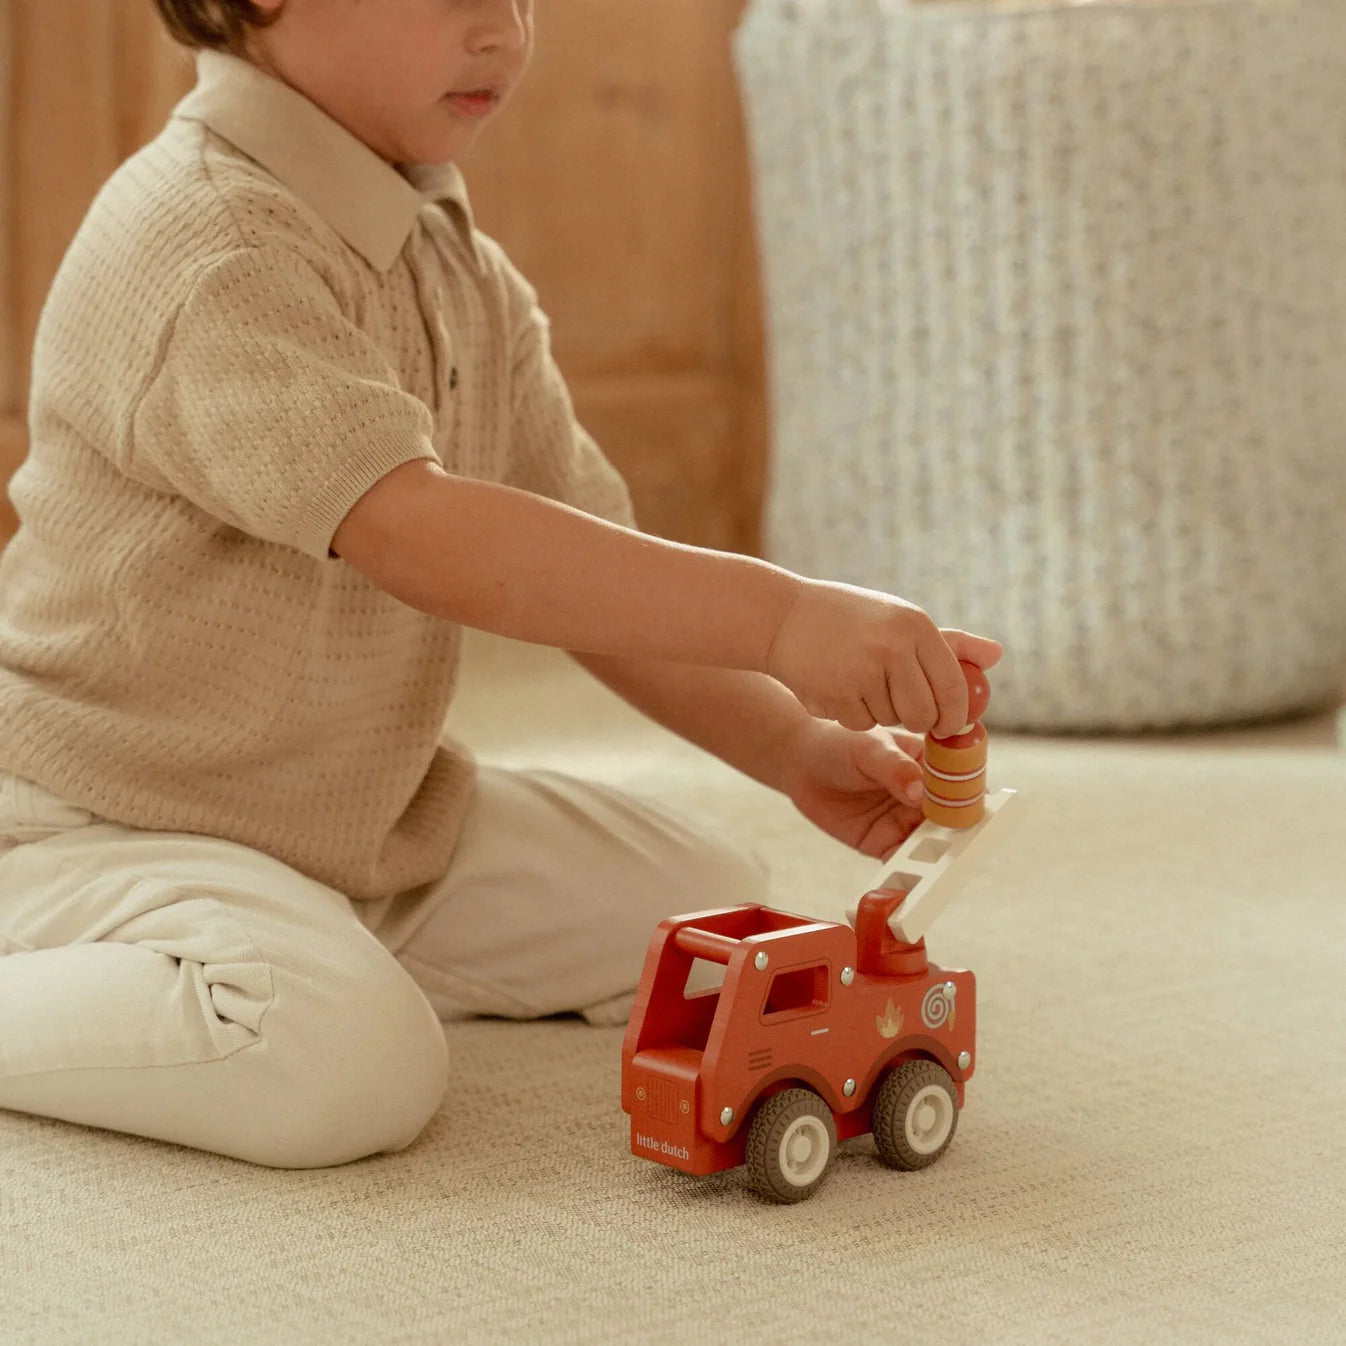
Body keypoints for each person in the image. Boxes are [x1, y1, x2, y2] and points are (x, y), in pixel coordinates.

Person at [0, 0, 1001, 1170]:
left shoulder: (442, 254)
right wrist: (781, 617)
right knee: (348, 1063)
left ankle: (307, 937)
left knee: (704, 907)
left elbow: (584, 557)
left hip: (349, 823)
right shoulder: (209, 245)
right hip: (100, 823)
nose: (503, 31)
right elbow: (424, 533)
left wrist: (786, 746)